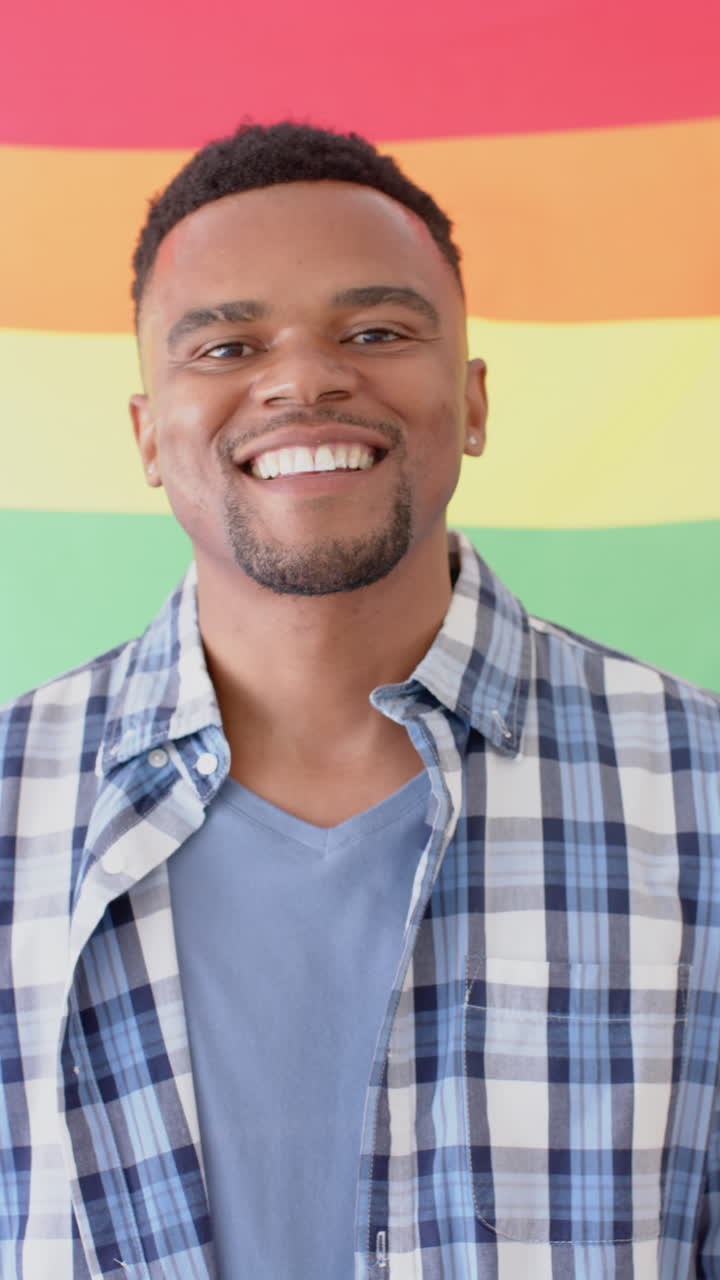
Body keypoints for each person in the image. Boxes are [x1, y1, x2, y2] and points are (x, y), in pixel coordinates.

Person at [1, 121, 719, 1280]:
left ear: (474, 401)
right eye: (228, 347)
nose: (304, 377)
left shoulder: (699, 790)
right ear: (146, 435)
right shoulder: (13, 804)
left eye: (376, 331)